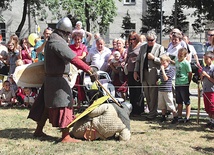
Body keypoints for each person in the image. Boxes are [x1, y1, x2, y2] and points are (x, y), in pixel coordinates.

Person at [28, 17, 95, 143]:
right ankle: (65, 136)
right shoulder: (57, 42)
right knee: (65, 104)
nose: (69, 36)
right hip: (57, 80)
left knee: (47, 105)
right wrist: (89, 69)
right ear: (64, 32)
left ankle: (38, 130)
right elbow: (73, 59)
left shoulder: (52, 40)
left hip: (51, 80)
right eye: (68, 33)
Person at [134, 29, 165, 119]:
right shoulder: (143, 47)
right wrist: (136, 71)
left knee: (153, 94)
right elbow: (138, 60)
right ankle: (151, 111)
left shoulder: (160, 48)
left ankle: (152, 113)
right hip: (144, 73)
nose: (149, 42)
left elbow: (163, 61)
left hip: (154, 74)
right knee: (147, 94)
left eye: (151, 40)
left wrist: (154, 58)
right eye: (148, 40)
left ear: (155, 40)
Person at [156, 54, 177, 123]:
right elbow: (160, 78)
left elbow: (166, 78)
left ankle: (175, 116)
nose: (162, 65)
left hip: (167, 89)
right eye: (161, 63)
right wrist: (158, 82)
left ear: (168, 62)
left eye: (164, 63)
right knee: (162, 104)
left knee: (170, 103)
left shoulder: (171, 70)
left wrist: (163, 70)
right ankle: (163, 116)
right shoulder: (161, 70)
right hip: (161, 89)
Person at [125, 31, 142, 116]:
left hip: (137, 70)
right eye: (130, 39)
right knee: (131, 90)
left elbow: (140, 58)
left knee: (138, 90)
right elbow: (128, 56)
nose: (132, 40)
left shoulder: (141, 46)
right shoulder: (130, 47)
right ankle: (132, 108)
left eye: (134, 38)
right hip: (130, 70)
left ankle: (138, 109)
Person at [175, 48, 192, 123]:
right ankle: (179, 116)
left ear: (185, 55)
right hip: (177, 83)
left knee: (186, 101)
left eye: (181, 55)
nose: (179, 56)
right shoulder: (176, 62)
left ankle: (187, 116)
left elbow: (190, 73)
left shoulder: (186, 63)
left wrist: (188, 81)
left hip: (184, 83)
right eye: (178, 54)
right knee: (179, 101)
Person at [200, 51, 214, 129]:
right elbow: (201, 79)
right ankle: (210, 120)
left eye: (206, 59)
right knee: (207, 107)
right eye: (204, 59)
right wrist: (201, 76)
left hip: (212, 90)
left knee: (212, 107)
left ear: (211, 59)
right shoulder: (204, 68)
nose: (205, 61)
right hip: (205, 90)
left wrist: (207, 75)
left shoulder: (213, 68)